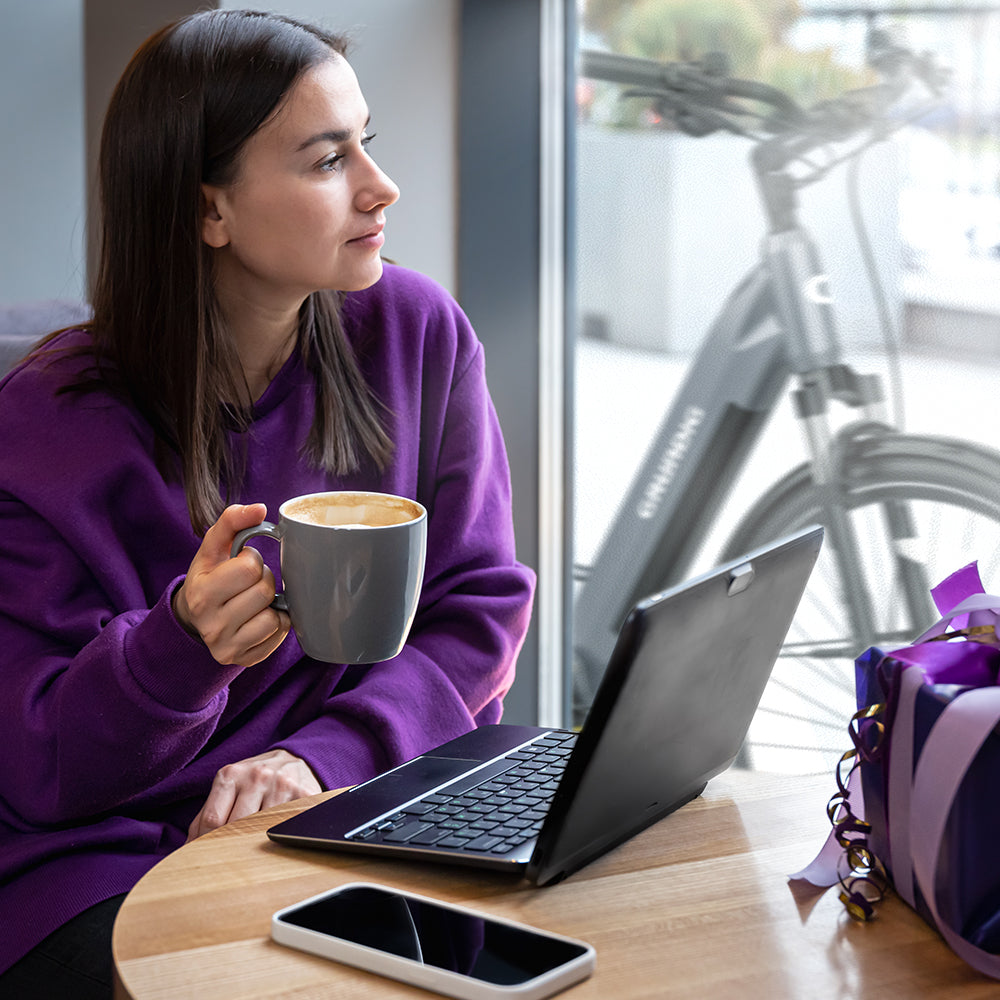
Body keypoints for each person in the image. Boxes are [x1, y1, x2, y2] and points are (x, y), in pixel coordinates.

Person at [0, 9, 535, 996]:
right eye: (329, 161)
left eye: (364, 143)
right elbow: (39, 767)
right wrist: (175, 653)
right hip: (107, 861)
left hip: (346, 807)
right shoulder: (44, 424)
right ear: (209, 211)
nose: (381, 186)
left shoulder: (416, 334)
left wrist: (323, 757)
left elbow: (480, 606)